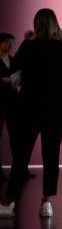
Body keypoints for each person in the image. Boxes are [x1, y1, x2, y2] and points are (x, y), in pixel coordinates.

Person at [0, 9, 62, 218]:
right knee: (52, 158)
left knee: (21, 158)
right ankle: (47, 203)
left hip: (29, 109)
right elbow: (61, 82)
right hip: (56, 110)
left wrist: (29, 42)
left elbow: (17, 73)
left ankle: (9, 202)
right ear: (55, 24)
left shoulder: (28, 47)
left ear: (37, 25)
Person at [0, 33, 18, 182]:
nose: (12, 45)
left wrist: (10, 80)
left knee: (16, 137)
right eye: (9, 42)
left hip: (13, 102)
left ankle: (19, 170)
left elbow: (19, 78)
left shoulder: (13, 60)